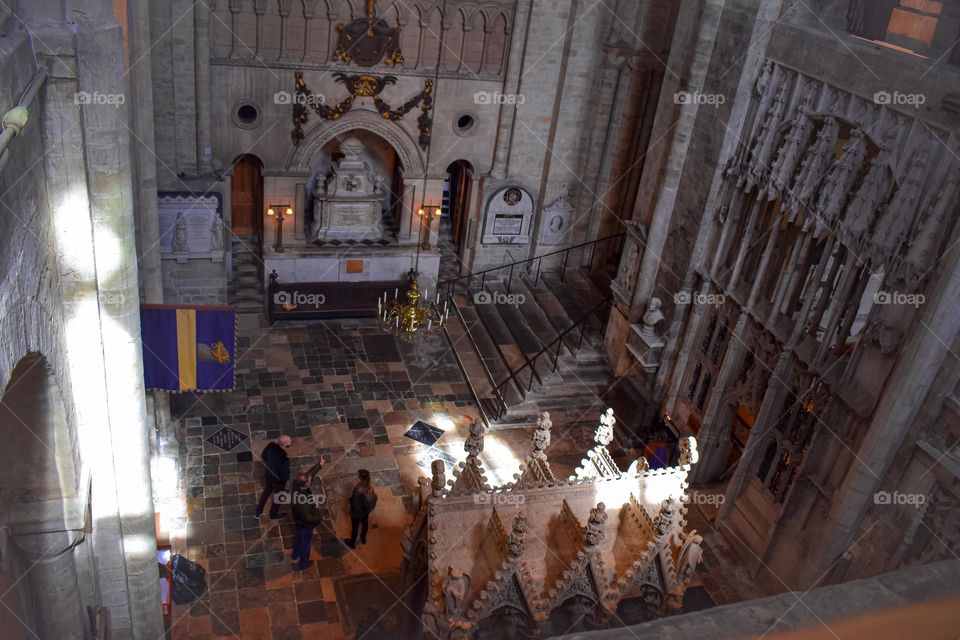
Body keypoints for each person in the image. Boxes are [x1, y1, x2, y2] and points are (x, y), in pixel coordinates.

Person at [291, 456, 325, 570]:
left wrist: (319, 465)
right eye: (309, 482)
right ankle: (303, 563)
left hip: (297, 519)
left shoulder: (296, 484)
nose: (311, 482)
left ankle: (295, 553)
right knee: (306, 543)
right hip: (305, 524)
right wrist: (320, 517)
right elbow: (309, 518)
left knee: (298, 537)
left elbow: (308, 476)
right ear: (306, 486)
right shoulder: (303, 501)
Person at [254, 435, 292, 521]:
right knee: (279, 497)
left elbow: (264, 456)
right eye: (289, 443)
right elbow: (284, 476)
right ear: (285, 445)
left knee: (266, 493)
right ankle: (273, 515)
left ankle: (257, 512)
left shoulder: (271, 445)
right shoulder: (284, 459)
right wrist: (286, 476)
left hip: (269, 475)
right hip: (278, 481)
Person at [343, 469, 377, 549]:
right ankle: (363, 537)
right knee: (365, 524)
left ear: (361, 478)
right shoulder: (370, 485)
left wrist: (350, 500)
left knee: (355, 528)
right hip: (365, 511)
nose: (357, 476)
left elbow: (354, 503)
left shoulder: (358, 489)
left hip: (357, 513)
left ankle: (352, 543)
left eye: (358, 475)